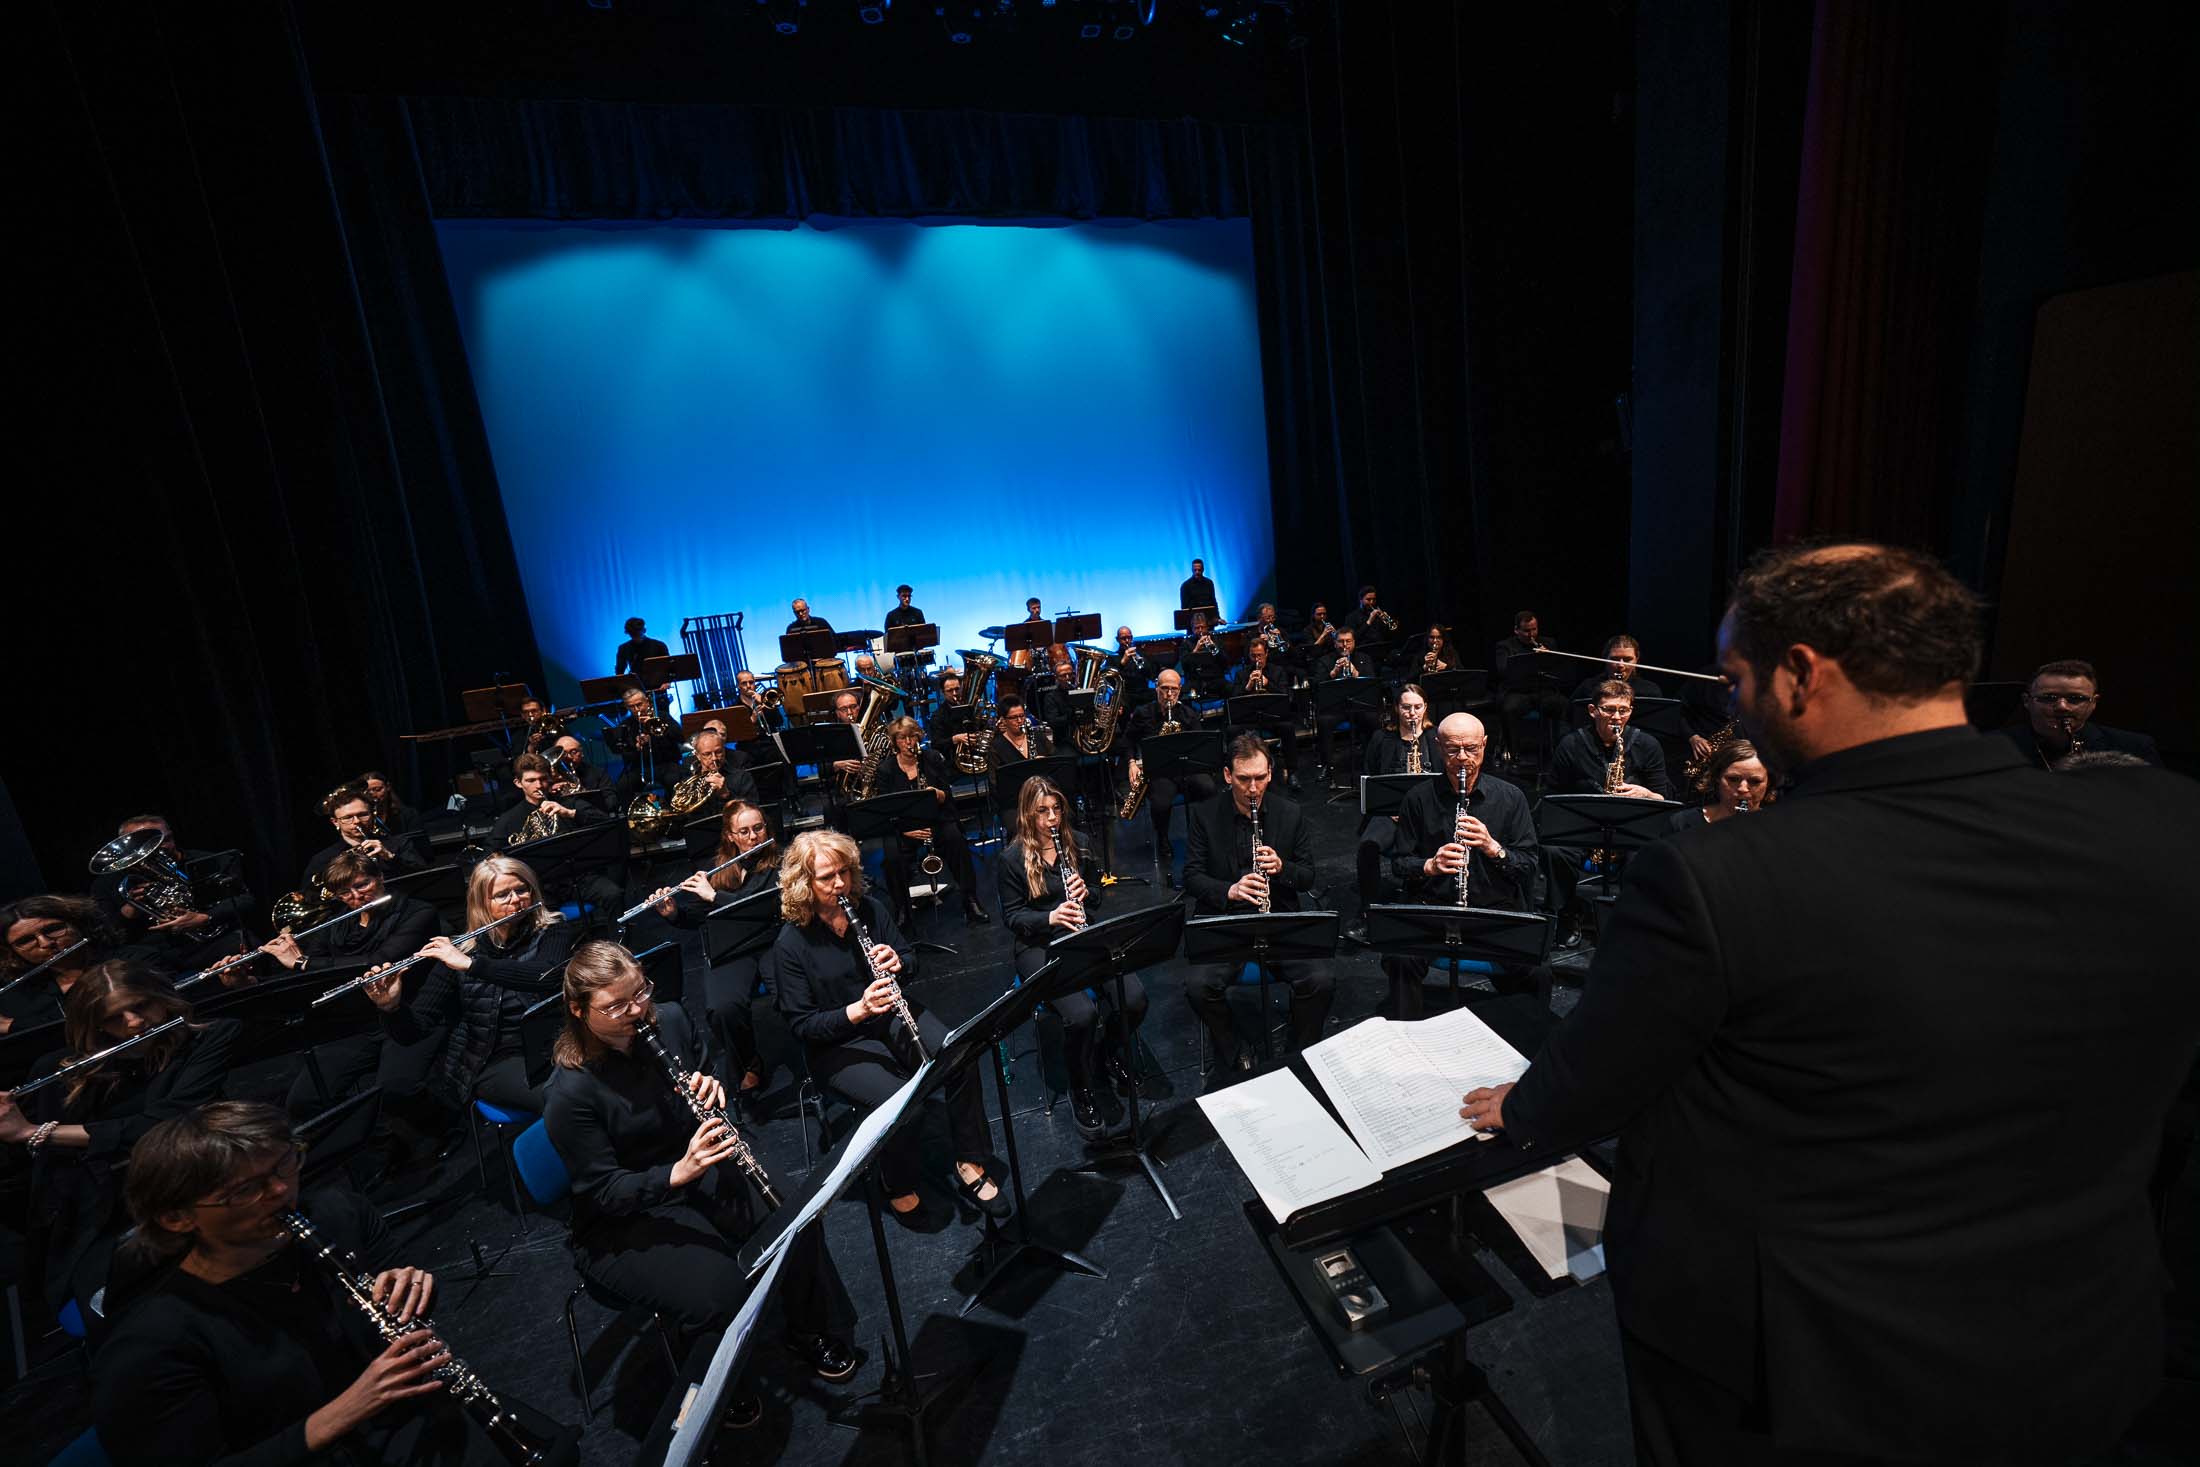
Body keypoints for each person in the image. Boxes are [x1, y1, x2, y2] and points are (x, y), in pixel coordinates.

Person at [1458, 542, 2200, 1465]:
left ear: (1800, 672)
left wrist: (1524, 1105)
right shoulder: (2168, 823)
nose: (1732, 707)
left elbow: (1606, 1070)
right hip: (2080, 1338)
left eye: (1736, 680)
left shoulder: (1713, 877)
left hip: (1806, 1369)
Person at [91, 1101, 569, 1467]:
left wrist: (415, 1283)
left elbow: (403, 1305)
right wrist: (345, 1411)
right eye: (245, 1190)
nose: (280, 1190)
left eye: (284, 1164)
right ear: (176, 1217)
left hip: (415, 1424)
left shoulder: (336, 1216)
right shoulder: (150, 1345)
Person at [543, 942, 857, 1392]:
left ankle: (810, 1329)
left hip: (697, 1165)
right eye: (616, 1006)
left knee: (794, 1223)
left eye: (640, 993)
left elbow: (713, 1078)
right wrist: (675, 1174)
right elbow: (603, 1192)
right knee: (718, 1292)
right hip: (625, 1214)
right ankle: (712, 1387)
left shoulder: (667, 1019)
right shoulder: (570, 1093)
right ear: (578, 1010)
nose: (636, 1010)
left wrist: (715, 1087)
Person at [771, 831, 1009, 1221]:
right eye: (827, 877)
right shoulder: (790, 944)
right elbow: (802, 1025)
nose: (840, 884)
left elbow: (909, 957)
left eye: (844, 872)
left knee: (960, 1056)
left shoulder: (870, 910)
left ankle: (970, 1159)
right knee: (903, 1107)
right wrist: (858, 1010)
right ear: (804, 884)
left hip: (890, 1015)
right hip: (836, 1046)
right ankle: (894, 1179)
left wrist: (899, 962)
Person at [1, 963, 240, 1316]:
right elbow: (51, 1173)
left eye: (142, 1006)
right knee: (112, 1304)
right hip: (105, 1208)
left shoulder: (209, 1036)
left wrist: (33, 1132)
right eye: (114, 1018)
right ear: (95, 1024)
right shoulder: (60, 1069)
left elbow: (165, 1125)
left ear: (162, 999)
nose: (134, 1023)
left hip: (192, 1180)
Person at [363, 857, 575, 1114]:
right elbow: (415, 1031)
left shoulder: (553, 929)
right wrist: (392, 1007)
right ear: (482, 903)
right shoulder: (458, 951)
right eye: (502, 895)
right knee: (566, 1100)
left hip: (555, 1043)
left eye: (521, 890)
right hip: (495, 1060)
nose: (516, 900)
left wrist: (472, 965)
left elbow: (546, 975)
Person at [997, 777, 1144, 1139]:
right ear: (1027, 814)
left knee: (1135, 998)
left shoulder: (1077, 843)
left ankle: (1108, 1053)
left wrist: (1085, 890)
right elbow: (1012, 917)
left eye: (1056, 809)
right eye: (1042, 811)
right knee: (1081, 1015)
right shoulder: (1012, 858)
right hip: (1038, 944)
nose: (1052, 818)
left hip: (1081, 933)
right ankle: (1081, 1087)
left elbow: (1094, 896)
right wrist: (1050, 916)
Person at [1182, 735, 1331, 1073]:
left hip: (1277, 918)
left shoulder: (1289, 813)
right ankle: (1235, 1050)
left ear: (1270, 773)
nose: (1253, 788)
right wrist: (1230, 891)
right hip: (1226, 921)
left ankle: (1297, 1054)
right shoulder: (1205, 816)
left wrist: (1282, 868)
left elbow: (1307, 876)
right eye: (1244, 778)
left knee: (1320, 980)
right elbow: (1191, 876)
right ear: (1227, 775)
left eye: (1260, 778)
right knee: (1198, 987)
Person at [1378, 714, 1540, 1018]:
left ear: (1485, 745)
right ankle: (1405, 1036)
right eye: (1453, 750)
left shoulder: (1511, 798)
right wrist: (1430, 865)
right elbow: (1399, 864)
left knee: (1537, 973)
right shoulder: (1418, 799)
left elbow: (1529, 865)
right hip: (1434, 910)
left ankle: (1523, 1038)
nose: (1463, 758)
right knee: (1400, 959)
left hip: (1494, 911)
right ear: (1438, 746)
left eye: (1472, 749)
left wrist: (1494, 848)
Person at [646, 801, 782, 1098]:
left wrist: (714, 896)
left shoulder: (780, 863)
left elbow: (759, 905)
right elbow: (697, 917)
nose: (753, 836)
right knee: (722, 1009)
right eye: (743, 831)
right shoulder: (716, 870)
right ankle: (749, 1061)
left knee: (789, 994)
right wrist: (673, 913)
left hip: (773, 941)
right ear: (731, 836)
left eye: (758, 828)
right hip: (732, 947)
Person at [872, 717, 990, 926]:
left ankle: (970, 899)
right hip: (904, 827)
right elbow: (884, 809)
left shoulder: (932, 758)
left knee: (956, 840)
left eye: (912, 737)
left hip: (936, 821)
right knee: (892, 858)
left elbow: (948, 797)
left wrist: (937, 794)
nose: (909, 743)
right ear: (894, 741)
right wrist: (904, 831)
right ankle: (902, 908)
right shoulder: (886, 769)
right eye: (902, 738)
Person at [91, 814, 255, 957]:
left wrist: (204, 918)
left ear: (171, 837)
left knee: (243, 942)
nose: (159, 847)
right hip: (155, 952)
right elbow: (105, 936)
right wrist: (128, 913)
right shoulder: (107, 883)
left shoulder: (210, 861)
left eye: (164, 839)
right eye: (145, 844)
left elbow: (245, 900)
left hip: (212, 941)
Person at [1124, 668, 1213, 886]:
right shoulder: (1143, 713)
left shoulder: (1188, 714)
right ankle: (1162, 838)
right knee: (1161, 803)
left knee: (1209, 788)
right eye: (1165, 689)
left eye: (1174, 689)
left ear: (1180, 690)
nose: (1169, 694)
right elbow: (1126, 740)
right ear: (1157, 689)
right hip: (1159, 773)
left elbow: (1200, 744)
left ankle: (1207, 835)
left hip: (1186, 768)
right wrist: (1131, 763)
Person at [1996, 658, 2162, 770]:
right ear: (2027, 701)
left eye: (2075, 699)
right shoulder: (1996, 745)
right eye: (2048, 698)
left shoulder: (2134, 747)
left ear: (2094, 702)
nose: (2062, 707)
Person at [1, 895, 119, 1034]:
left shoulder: (132, 960)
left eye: (53, 929)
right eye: (26, 941)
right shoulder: (19, 994)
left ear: (78, 924)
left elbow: (105, 1016)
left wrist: (13, 1025)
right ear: (11, 951)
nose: (45, 943)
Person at [1548, 680, 1671, 799]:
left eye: (1623, 711)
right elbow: (1554, 794)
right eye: (1609, 710)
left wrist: (1647, 795)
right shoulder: (1571, 744)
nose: (1617, 717)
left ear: (1631, 711)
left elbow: (1662, 797)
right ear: (1592, 710)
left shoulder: (1648, 745)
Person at [305, 786, 425, 890]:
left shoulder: (399, 844)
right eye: (348, 817)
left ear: (373, 815)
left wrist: (389, 857)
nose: (357, 821)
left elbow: (422, 877)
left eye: (363, 815)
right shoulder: (322, 859)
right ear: (335, 822)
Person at [489, 752, 608, 847]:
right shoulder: (508, 819)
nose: (539, 785)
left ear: (550, 778)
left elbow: (605, 821)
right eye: (531, 780)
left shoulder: (569, 803)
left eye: (543, 779)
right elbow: (489, 854)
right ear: (518, 783)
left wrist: (569, 813)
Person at [1494, 609, 1567, 754]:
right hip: (1518, 692)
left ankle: (1561, 750)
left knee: (1564, 705)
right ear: (1516, 630)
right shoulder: (1505, 646)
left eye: (1534, 629)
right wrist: (1530, 658)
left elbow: (1559, 670)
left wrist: (1549, 657)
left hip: (1543, 691)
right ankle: (1514, 752)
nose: (1532, 634)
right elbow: (1503, 670)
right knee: (1509, 709)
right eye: (1527, 631)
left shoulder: (1548, 643)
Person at [1665, 738, 1772, 834]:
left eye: (1755, 781)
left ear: (1769, 783)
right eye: (1733, 779)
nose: (1742, 789)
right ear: (1717, 777)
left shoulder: (1778, 829)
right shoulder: (1683, 823)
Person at [1234, 639, 1299, 788]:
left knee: (1288, 727)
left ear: (1267, 654)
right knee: (1232, 730)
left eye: (1260, 655)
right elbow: (1233, 700)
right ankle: (1236, 775)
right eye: (1253, 656)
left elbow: (1286, 696)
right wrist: (1248, 686)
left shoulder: (1278, 671)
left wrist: (1268, 684)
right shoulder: (1242, 674)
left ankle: (1293, 772)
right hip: (1249, 718)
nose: (1257, 659)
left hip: (1273, 717)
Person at [1313, 626, 1373, 778]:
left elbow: (1372, 684)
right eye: (1341, 641)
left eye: (1348, 641)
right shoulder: (1324, 661)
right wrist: (1333, 673)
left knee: (1373, 719)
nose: (1344, 645)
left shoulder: (1364, 658)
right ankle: (1327, 765)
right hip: (1335, 707)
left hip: (1359, 705)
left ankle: (1371, 761)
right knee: (1324, 722)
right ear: (1334, 643)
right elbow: (1316, 687)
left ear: (1354, 643)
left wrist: (1356, 673)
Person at [604, 686, 683, 799]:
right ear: (626, 707)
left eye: (639, 704)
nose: (637, 709)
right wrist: (636, 747)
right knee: (623, 785)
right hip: (640, 768)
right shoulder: (626, 725)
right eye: (632, 707)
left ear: (647, 702)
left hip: (667, 763)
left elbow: (680, 736)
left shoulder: (662, 716)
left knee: (675, 780)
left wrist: (655, 732)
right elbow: (625, 754)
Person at [671, 729, 758, 815]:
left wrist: (726, 795)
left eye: (718, 752)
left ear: (724, 750)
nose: (714, 758)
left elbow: (753, 811)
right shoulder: (686, 781)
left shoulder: (742, 777)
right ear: (698, 755)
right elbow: (680, 814)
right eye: (707, 754)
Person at [1364, 683, 1440, 777]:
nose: (1412, 713)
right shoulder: (1380, 737)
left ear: (1425, 707)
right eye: (1406, 707)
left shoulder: (1437, 735)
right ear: (1396, 708)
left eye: (1417, 707)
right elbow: (1370, 775)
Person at [1568, 633, 1666, 704]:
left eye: (1627, 660)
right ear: (1605, 658)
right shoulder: (1588, 687)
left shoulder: (1650, 691)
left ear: (1636, 660)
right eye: (1615, 659)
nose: (1620, 665)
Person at [546, 733, 614, 811]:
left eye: (574, 752)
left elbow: (611, 802)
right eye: (563, 753)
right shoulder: (548, 777)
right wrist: (548, 791)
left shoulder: (598, 773)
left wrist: (583, 793)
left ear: (581, 753)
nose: (568, 757)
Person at [986, 694, 1052, 768]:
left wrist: (1046, 762)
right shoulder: (996, 747)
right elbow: (994, 777)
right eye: (1014, 717)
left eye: (1022, 715)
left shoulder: (1038, 737)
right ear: (1003, 720)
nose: (1019, 720)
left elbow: (1057, 762)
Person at [358, 772, 422, 840]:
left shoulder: (408, 814)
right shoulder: (359, 819)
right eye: (367, 792)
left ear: (388, 787)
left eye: (377, 789)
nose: (373, 794)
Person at [1179, 612, 1226, 699]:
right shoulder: (1186, 643)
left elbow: (1225, 662)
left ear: (1207, 627)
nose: (1200, 630)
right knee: (1183, 694)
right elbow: (1184, 665)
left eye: (1203, 627)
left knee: (1229, 688)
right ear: (1192, 629)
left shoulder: (1215, 639)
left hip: (1214, 678)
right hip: (1195, 680)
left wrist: (1214, 648)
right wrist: (1196, 649)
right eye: (1197, 628)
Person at [614, 616, 671, 686]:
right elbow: (619, 671)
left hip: (657, 685)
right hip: (637, 686)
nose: (635, 636)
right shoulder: (623, 648)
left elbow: (668, 667)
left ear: (644, 630)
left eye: (637, 633)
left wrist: (667, 682)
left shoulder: (659, 646)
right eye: (632, 634)